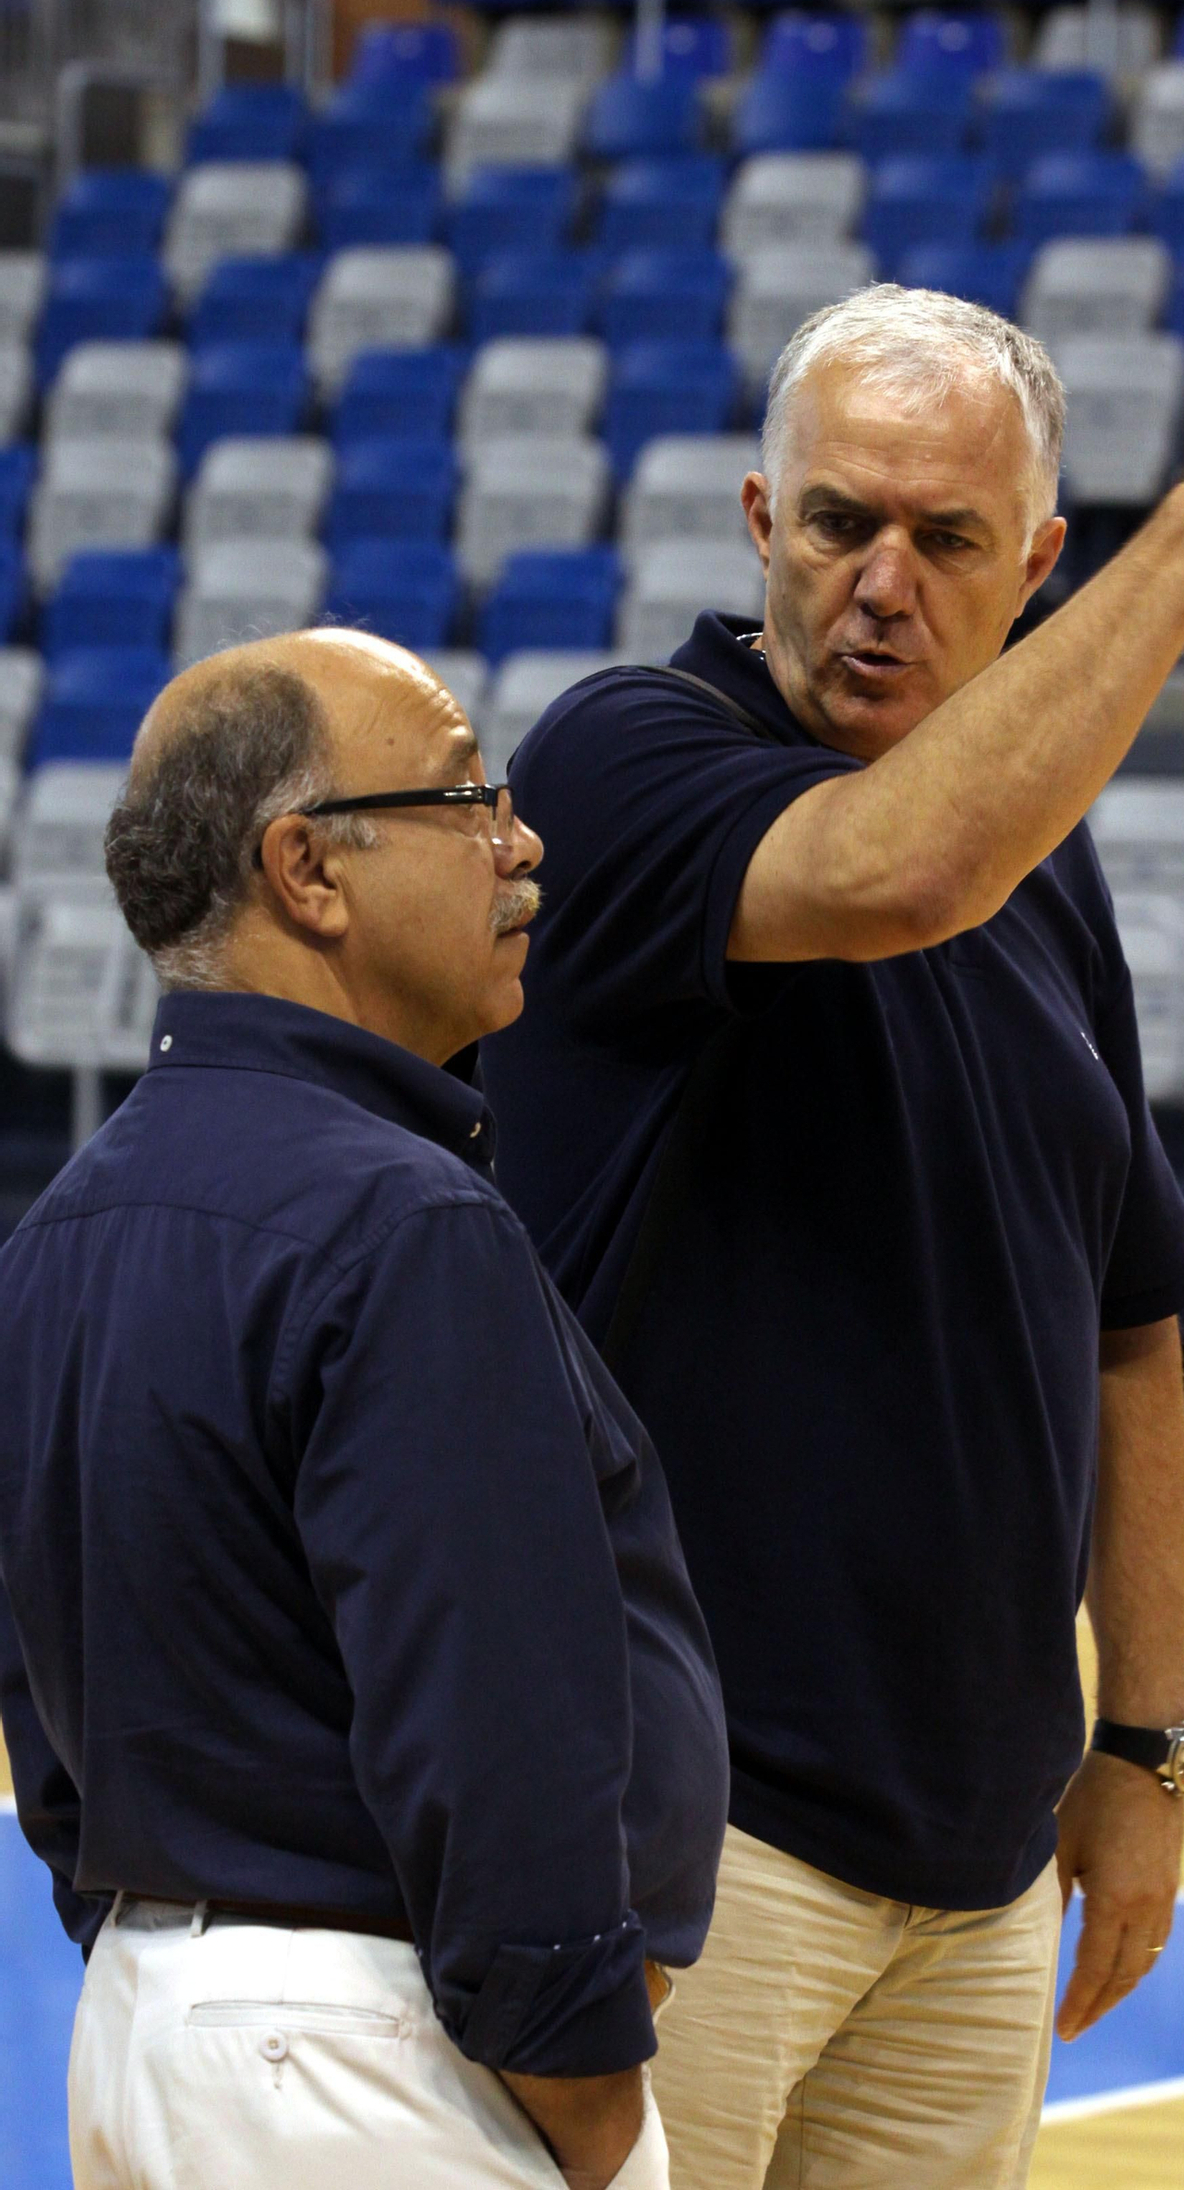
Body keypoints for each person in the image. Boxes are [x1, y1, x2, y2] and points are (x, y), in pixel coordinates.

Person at [479, 257, 1184, 2187]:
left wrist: (1146, 1743)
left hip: (981, 1859)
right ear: (760, 523)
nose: (886, 581)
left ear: (1034, 562)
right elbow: (902, 868)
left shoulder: (1053, 872)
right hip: (690, 1835)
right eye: (844, 522)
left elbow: (1129, 1314)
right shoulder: (621, 768)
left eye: (948, 538)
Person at [0, 629, 728, 2190]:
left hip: (149, 2027)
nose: (522, 842)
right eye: (469, 795)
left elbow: (47, 1722)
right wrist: (595, 2104)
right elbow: (498, 1740)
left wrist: (178, 1956)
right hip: (379, 2055)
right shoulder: (405, 1223)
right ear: (307, 871)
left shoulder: (57, 1228)